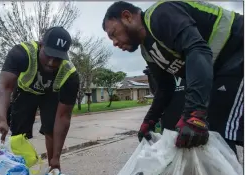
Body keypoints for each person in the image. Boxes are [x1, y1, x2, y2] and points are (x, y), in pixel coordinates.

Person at [102, 1, 244, 154]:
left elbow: (197, 49)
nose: (115, 43)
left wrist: (193, 113)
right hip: (222, 68)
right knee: (217, 128)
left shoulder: (161, 14)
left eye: (113, 34)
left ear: (127, 16)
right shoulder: (147, 51)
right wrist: (150, 120)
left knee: (219, 124)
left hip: (237, 47)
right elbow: (165, 87)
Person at [0, 27, 80, 170]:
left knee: (51, 129)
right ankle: (19, 170)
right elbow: (5, 87)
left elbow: (63, 116)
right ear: (41, 45)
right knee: (19, 133)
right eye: (48, 55)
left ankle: (53, 168)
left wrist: (56, 157)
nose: (51, 63)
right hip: (25, 91)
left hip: (51, 94)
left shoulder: (70, 74)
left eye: (58, 58)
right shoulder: (21, 53)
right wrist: (1, 120)